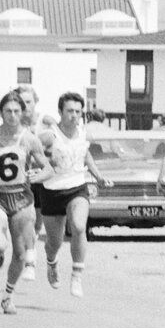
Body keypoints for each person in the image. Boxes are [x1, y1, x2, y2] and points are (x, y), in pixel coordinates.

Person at [0, 91, 54, 314]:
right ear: (0, 112)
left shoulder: (29, 139)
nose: (12, 115)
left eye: (17, 111)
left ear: (22, 113)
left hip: (21, 197)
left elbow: (48, 169)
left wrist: (38, 176)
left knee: (19, 254)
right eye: (8, 111)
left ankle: (7, 296)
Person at [39, 92, 113, 298]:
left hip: (76, 187)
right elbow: (32, 154)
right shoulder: (49, 135)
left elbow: (85, 154)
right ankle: (52, 262)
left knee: (79, 227)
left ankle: (77, 275)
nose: (74, 115)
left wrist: (98, 177)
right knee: (54, 242)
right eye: (70, 111)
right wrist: (45, 163)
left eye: (78, 112)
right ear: (60, 112)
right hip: (52, 190)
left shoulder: (83, 133)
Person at [14, 84, 53, 281]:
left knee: (37, 221)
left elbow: (57, 153)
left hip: (41, 179)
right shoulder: (12, 121)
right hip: (20, 180)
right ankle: (30, 258)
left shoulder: (45, 123)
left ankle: (32, 244)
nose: (25, 106)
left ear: (35, 102)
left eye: (28, 102)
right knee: (25, 219)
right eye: (21, 102)